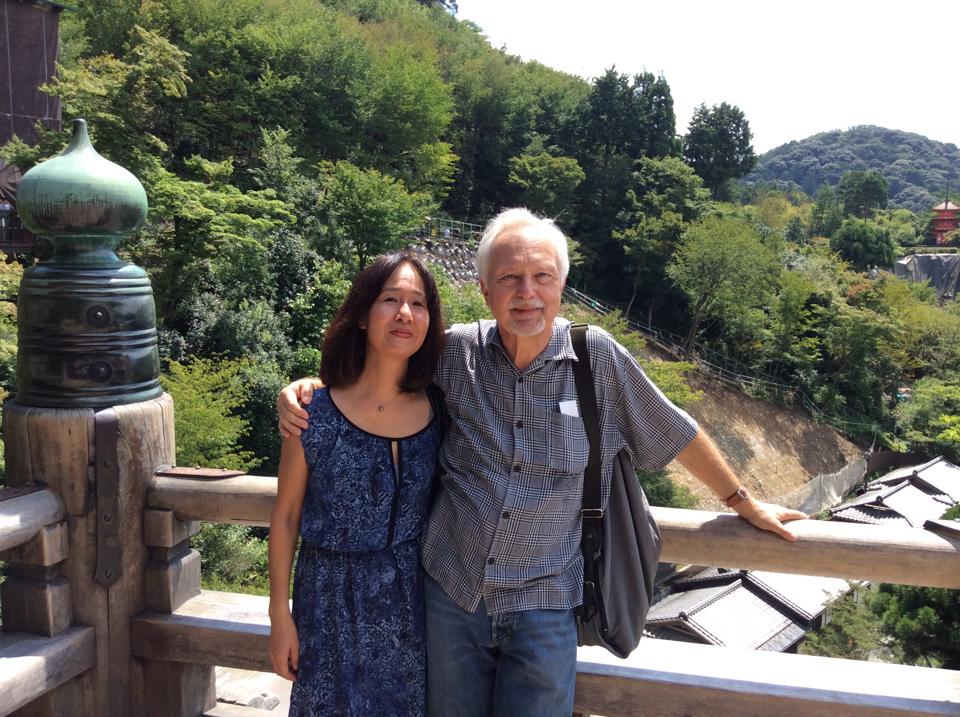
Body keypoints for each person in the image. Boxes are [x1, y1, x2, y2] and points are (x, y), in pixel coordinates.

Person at [277, 208, 807, 716]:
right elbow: (386, 367)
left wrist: (742, 501)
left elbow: (675, 431)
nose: (526, 293)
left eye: (542, 277)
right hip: (451, 595)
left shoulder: (595, 358)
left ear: (561, 285)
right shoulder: (456, 354)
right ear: (484, 289)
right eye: (509, 278)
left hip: (545, 602)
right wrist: (312, 389)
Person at [268, 251, 446, 716]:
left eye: (418, 303)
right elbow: (286, 517)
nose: (405, 313)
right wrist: (279, 615)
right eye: (390, 299)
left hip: (413, 602)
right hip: (327, 598)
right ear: (363, 315)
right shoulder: (313, 412)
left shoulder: (442, 408)